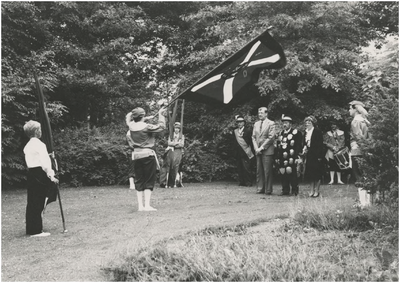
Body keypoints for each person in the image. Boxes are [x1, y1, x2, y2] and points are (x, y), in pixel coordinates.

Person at [23, 120, 59, 237]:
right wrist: (51, 175)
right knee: (39, 200)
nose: (41, 131)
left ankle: (32, 227)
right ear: (36, 131)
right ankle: (36, 230)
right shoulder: (40, 145)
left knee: (33, 200)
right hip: (39, 173)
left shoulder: (28, 145)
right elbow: (45, 163)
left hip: (32, 173)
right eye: (39, 129)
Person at [126, 107, 166, 211]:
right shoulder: (146, 127)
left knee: (139, 180)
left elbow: (128, 118)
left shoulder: (131, 126)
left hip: (136, 156)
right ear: (142, 116)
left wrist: (145, 118)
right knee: (149, 179)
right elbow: (161, 127)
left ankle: (140, 206)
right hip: (147, 155)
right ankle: (147, 205)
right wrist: (161, 114)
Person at [276, 115, 302, 196]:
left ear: (290, 124)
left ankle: (294, 190)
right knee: (283, 173)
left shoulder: (296, 133)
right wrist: (277, 157)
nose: (284, 125)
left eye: (286, 123)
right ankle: (285, 190)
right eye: (283, 123)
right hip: (282, 158)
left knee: (293, 174)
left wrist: (298, 156)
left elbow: (299, 145)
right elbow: (278, 146)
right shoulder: (281, 133)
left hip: (292, 157)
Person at [252, 107, 275, 195]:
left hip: (267, 150)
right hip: (258, 151)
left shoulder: (271, 123)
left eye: (261, 113)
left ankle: (268, 189)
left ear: (266, 114)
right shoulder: (256, 124)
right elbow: (253, 137)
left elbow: (271, 137)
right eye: (259, 113)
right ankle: (260, 188)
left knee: (267, 171)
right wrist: (256, 148)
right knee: (259, 170)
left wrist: (261, 147)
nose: (259, 114)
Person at [302, 116, 325, 197]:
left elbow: (320, 145)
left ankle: (317, 191)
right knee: (310, 173)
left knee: (317, 174)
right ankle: (311, 190)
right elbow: (304, 143)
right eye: (306, 122)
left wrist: (320, 156)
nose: (307, 123)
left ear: (313, 123)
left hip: (317, 155)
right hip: (309, 154)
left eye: (309, 122)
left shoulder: (317, 131)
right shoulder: (305, 132)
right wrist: (304, 147)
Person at [349, 100, 370, 182]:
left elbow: (358, 137)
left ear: (356, 110)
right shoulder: (365, 121)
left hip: (357, 151)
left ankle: (362, 195)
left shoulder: (355, 121)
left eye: (350, 108)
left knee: (359, 178)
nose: (349, 110)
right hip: (366, 150)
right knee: (366, 176)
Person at [160, 122, 185, 188]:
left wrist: (174, 144)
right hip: (170, 152)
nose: (177, 129)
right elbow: (169, 143)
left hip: (178, 152)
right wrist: (177, 143)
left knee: (176, 166)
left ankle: (174, 182)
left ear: (180, 129)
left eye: (178, 128)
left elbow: (182, 144)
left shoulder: (181, 136)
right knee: (168, 166)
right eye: (176, 128)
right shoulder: (171, 135)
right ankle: (165, 182)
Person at [232, 115, 254, 187]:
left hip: (246, 152)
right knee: (240, 168)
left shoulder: (248, 130)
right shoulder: (235, 131)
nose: (239, 124)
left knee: (247, 168)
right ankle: (242, 182)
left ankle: (248, 182)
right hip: (238, 152)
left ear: (244, 123)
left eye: (241, 122)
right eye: (238, 122)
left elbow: (251, 142)